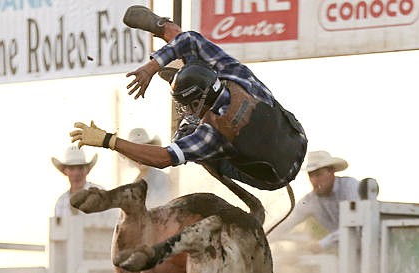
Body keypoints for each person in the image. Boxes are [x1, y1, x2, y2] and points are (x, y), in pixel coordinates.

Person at [70, 6, 307, 192]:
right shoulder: (236, 74)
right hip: (296, 138)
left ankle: (175, 51)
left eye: (184, 105)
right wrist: (153, 66)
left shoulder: (210, 135)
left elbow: (165, 157)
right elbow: (191, 39)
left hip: (275, 177)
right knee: (189, 44)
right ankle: (169, 37)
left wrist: (109, 141)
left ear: (195, 103)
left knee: (189, 142)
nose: (182, 109)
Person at [269, 150, 360, 251]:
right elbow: (285, 223)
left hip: (375, 246)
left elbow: (355, 225)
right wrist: (263, 236)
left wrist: (322, 244)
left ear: (331, 172)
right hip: (350, 252)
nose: (314, 180)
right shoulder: (310, 201)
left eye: (318, 174)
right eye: (311, 175)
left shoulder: (350, 187)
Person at [123, 127, 172, 207]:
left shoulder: (160, 178)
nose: (139, 158)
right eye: (135, 154)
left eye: (143, 153)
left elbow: (161, 205)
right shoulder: (137, 180)